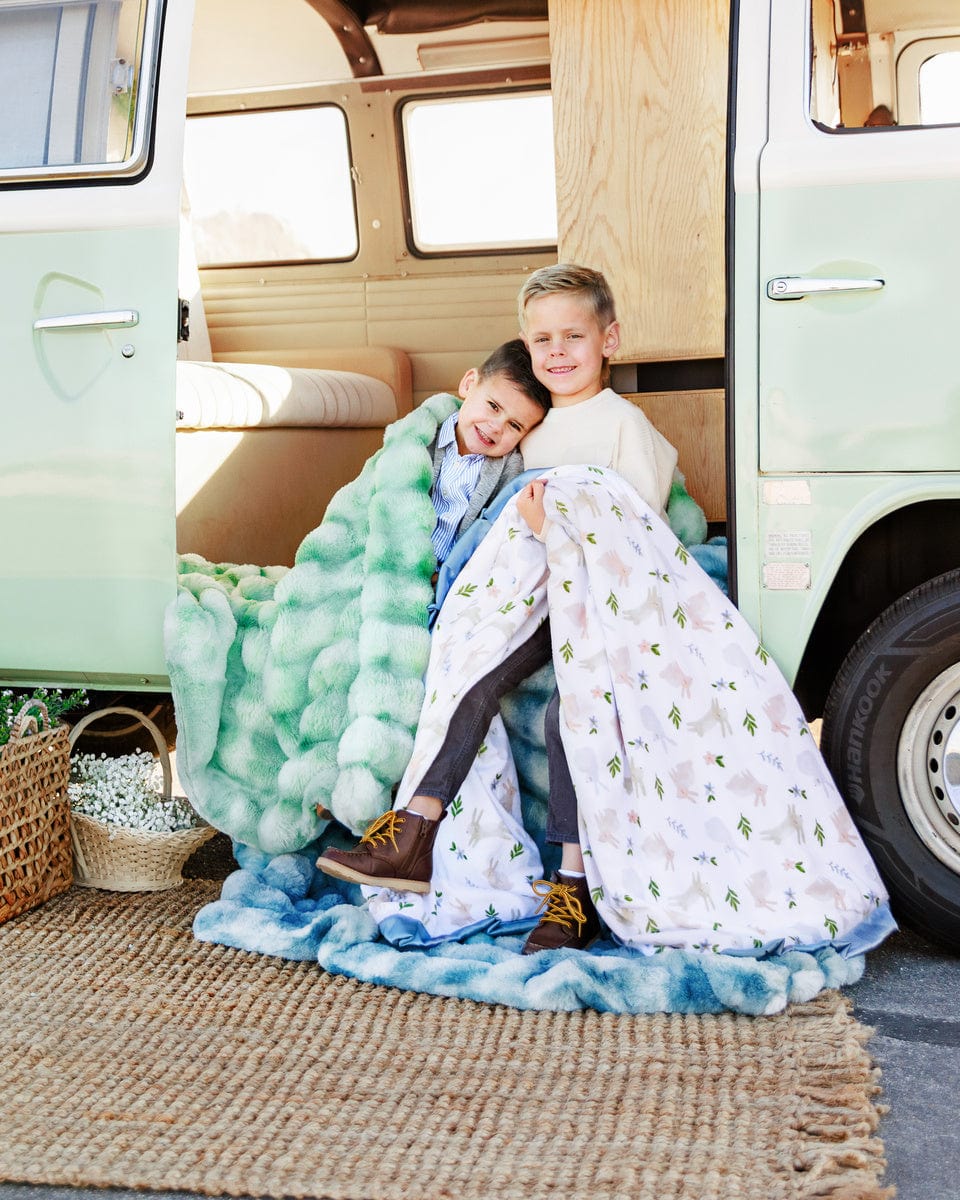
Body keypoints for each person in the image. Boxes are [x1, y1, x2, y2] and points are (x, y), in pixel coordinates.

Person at [318, 264, 678, 952]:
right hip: (524, 602)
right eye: (543, 339)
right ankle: (415, 836)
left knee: (571, 707)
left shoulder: (622, 426)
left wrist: (555, 530)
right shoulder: (527, 430)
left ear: (609, 340)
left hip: (593, 603)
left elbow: (639, 538)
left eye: (574, 336)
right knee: (474, 676)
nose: (558, 351)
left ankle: (573, 888)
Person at [425, 337, 550, 574]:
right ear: (469, 384)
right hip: (402, 565)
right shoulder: (421, 438)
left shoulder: (510, 470)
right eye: (493, 406)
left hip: (454, 579)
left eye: (514, 425)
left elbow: (501, 535)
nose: (496, 427)